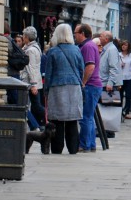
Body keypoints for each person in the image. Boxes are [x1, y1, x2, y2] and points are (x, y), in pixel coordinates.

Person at [41, 22, 84, 155]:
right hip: (74, 87)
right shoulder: (76, 50)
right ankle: (73, 148)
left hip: (57, 87)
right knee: (72, 120)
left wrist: (46, 90)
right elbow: (81, 69)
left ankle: (57, 148)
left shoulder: (53, 51)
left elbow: (48, 74)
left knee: (57, 120)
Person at [73, 24, 102, 153]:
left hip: (90, 85)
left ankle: (84, 144)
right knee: (88, 117)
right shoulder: (88, 46)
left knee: (85, 117)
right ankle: (91, 144)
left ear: (82, 33)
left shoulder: (88, 46)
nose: (74, 35)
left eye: (76, 32)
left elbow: (90, 67)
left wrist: (83, 83)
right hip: (93, 85)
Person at [20, 26, 47, 148]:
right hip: (34, 82)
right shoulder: (35, 47)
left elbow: (31, 68)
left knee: (30, 105)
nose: (22, 37)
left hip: (30, 82)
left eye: (23, 36)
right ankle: (38, 124)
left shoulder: (30, 50)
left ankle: (41, 122)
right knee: (35, 105)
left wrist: (33, 85)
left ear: (27, 37)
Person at [98, 31, 122, 106]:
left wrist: (110, 83)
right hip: (104, 83)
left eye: (101, 36)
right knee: (104, 108)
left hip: (108, 85)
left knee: (109, 109)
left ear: (106, 39)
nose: (99, 38)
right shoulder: (107, 49)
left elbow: (114, 68)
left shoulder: (111, 49)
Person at [118, 40, 131, 120]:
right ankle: (119, 112)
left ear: (128, 47)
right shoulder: (118, 55)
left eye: (125, 45)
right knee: (119, 96)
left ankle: (126, 111)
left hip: (129, 78)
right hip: (120, 78)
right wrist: (120, 65)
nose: (124, 46)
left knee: (128, 95)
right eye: (122, 45)